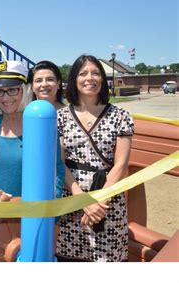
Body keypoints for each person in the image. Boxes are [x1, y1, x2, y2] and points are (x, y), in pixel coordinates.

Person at [56, 54, 134, 262]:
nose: (89, 78)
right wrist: (83, 200)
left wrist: (99, 202)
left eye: (95, 73)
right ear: (74, 79)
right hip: (73, 199)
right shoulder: (61, 117)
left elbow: (121, 163)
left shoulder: (120, 116)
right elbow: (59, 163)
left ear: (102, 79)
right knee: (70, 261)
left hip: (109, 200)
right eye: (83, 73)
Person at [0, 60, 65, 203]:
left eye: (12, 90)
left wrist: (49, 206)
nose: (5, 97)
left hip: (33, 215)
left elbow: (56, 169)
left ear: (25, 89)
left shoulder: (41, 122)